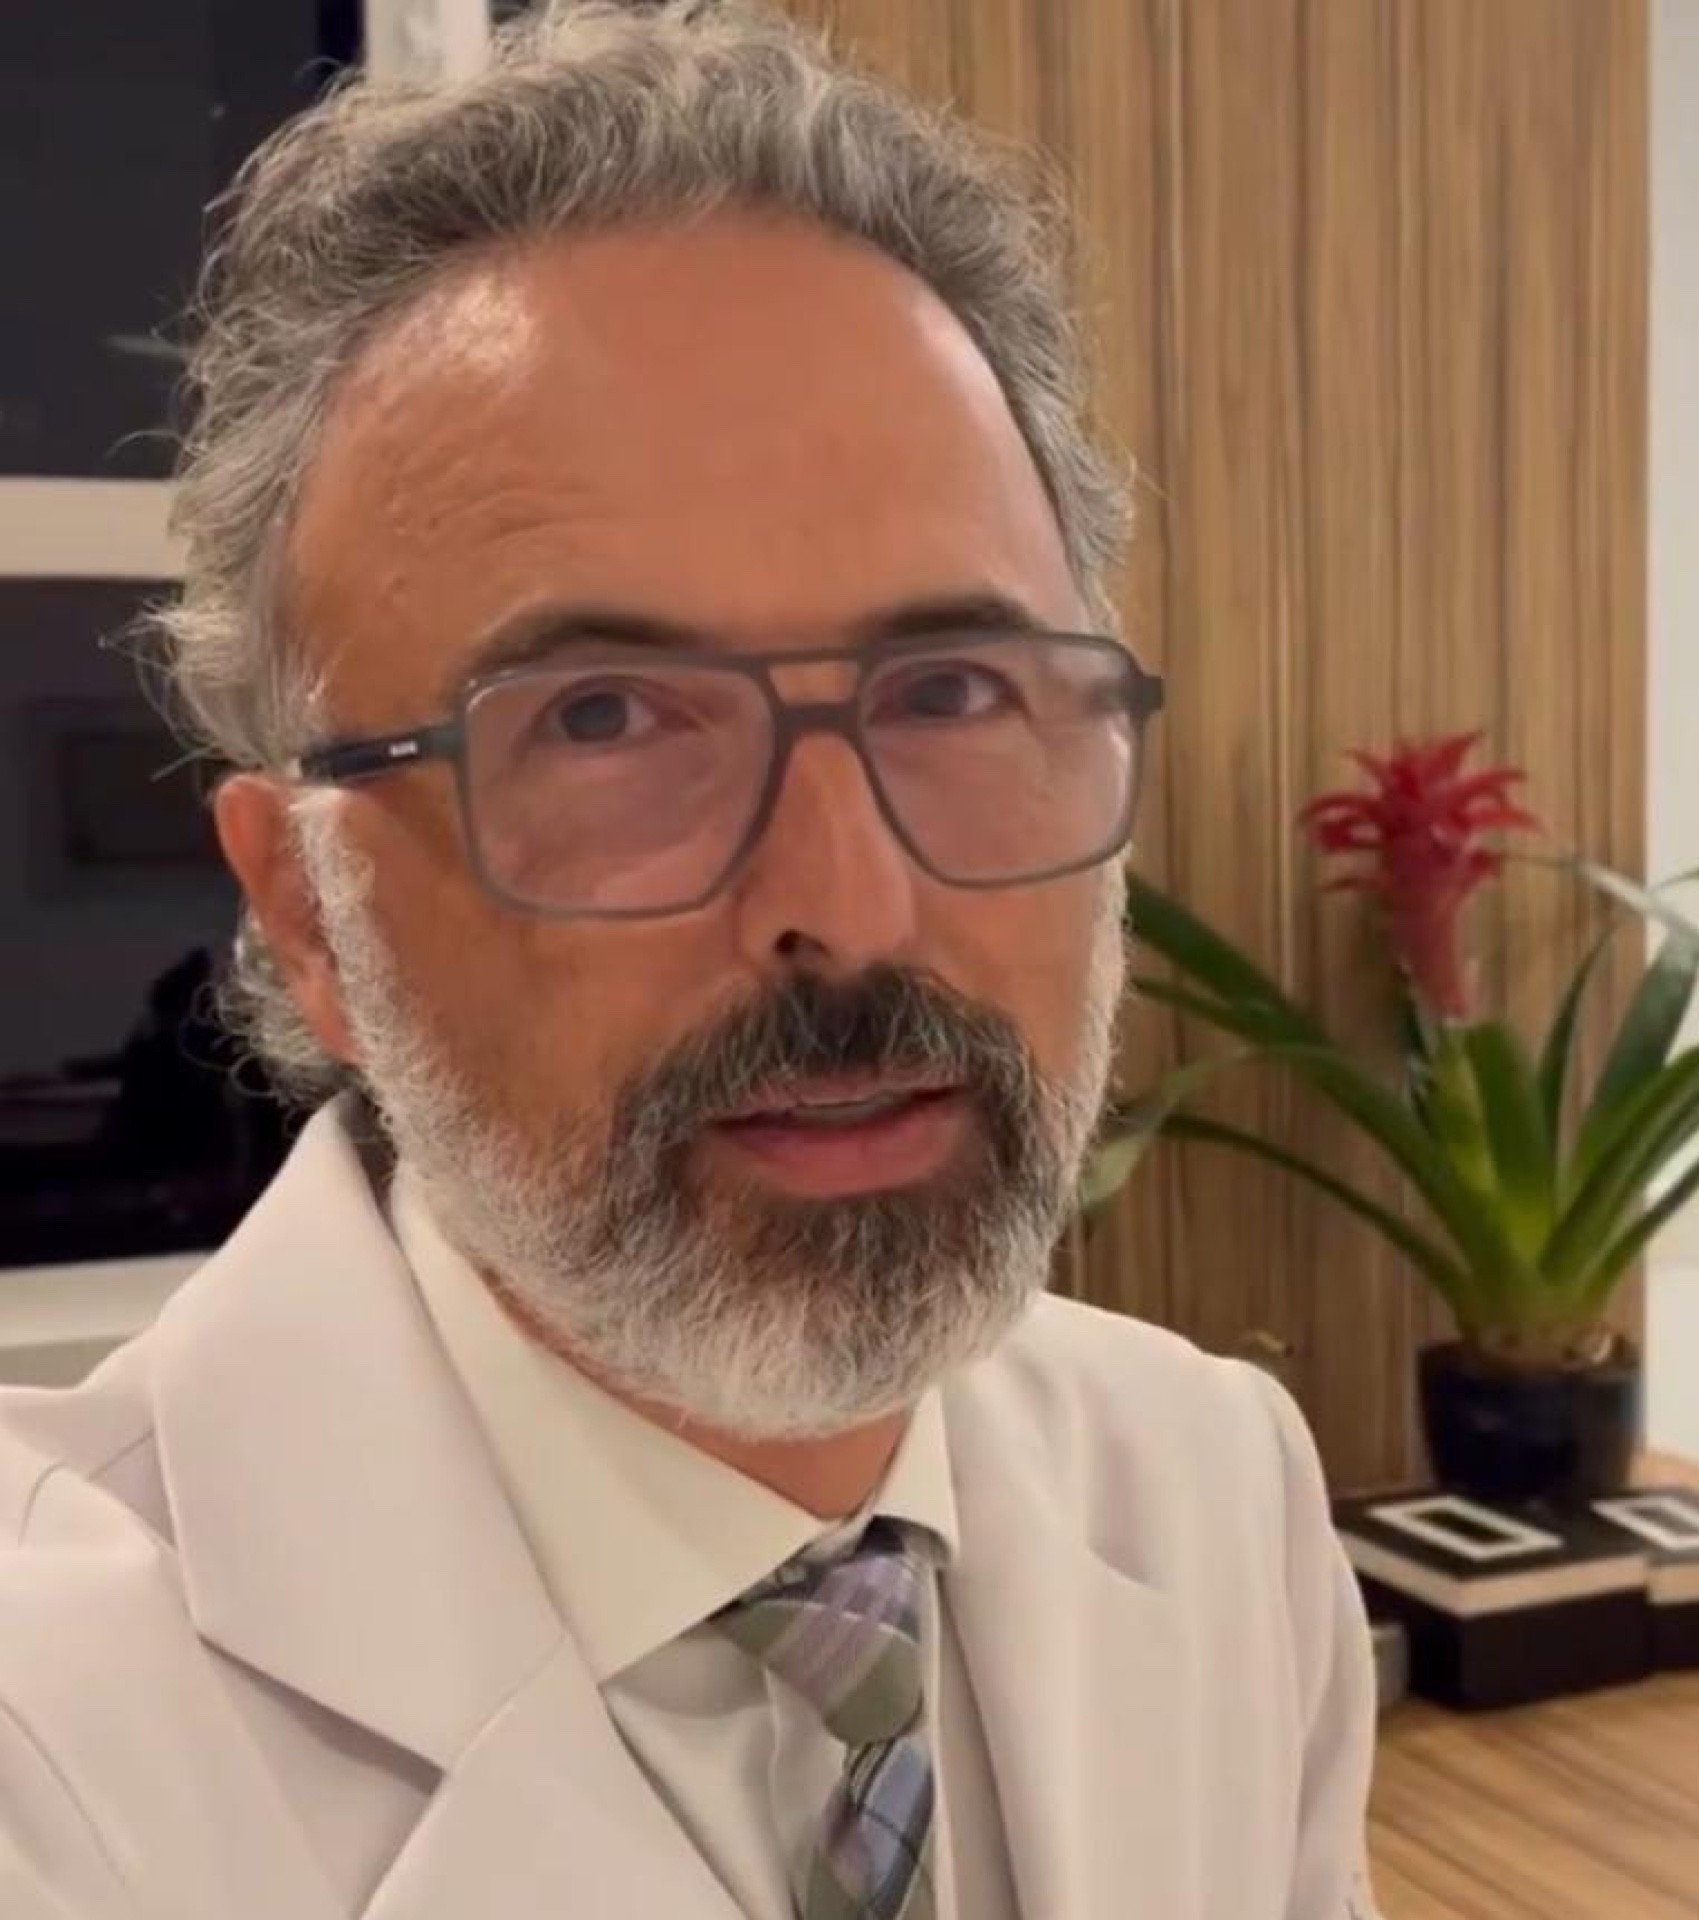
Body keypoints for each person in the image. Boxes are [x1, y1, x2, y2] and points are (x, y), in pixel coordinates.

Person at [0, 5, 1379, 1915]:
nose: (851, 906)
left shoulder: (1215, 1487)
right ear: (309, 908)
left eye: (952, 690)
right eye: (604, 723)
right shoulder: (50, 1735)